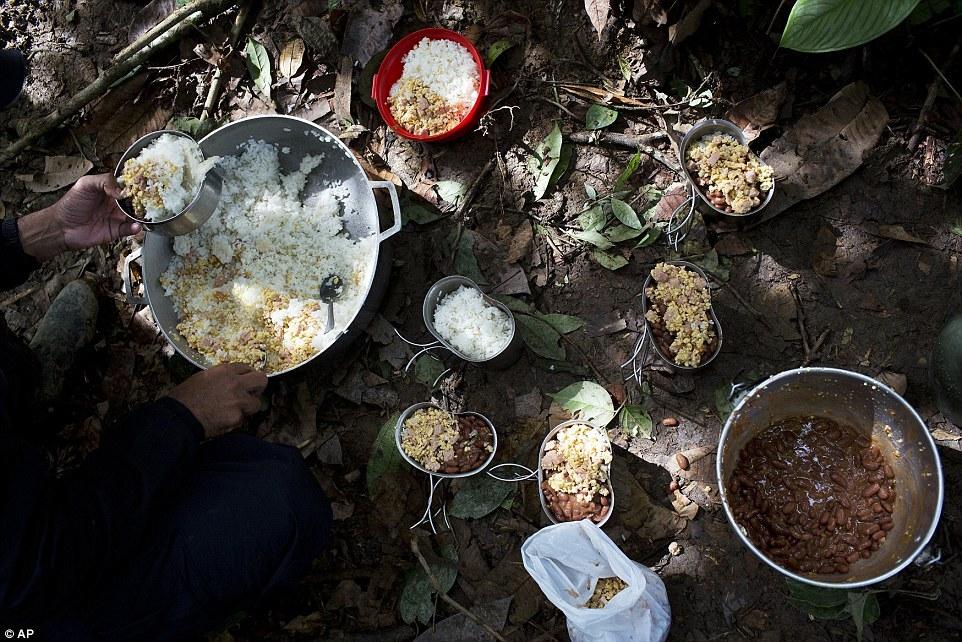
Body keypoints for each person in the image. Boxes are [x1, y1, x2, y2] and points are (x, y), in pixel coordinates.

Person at [0, 123, 332, 638]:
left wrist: (41, 234)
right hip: (26, 601)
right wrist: (180, 418)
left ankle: (17, 392)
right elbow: (40, 568)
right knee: (277, 501)